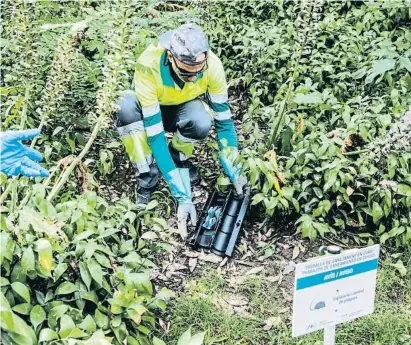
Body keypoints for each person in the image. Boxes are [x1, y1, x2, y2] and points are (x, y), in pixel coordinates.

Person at [114, 23, 247, 237]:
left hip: (182, 107)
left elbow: (224, 122)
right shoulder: (149, 66)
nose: (194, 78)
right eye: (186, 73)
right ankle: (147, 176)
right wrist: (182, 196)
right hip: (147, 110)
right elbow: (155, 136)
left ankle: (177, 158)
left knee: (202, 121)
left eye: (198, 72)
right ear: (171, 56)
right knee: (125, 108)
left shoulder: (213, 66)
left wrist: (234, 169)